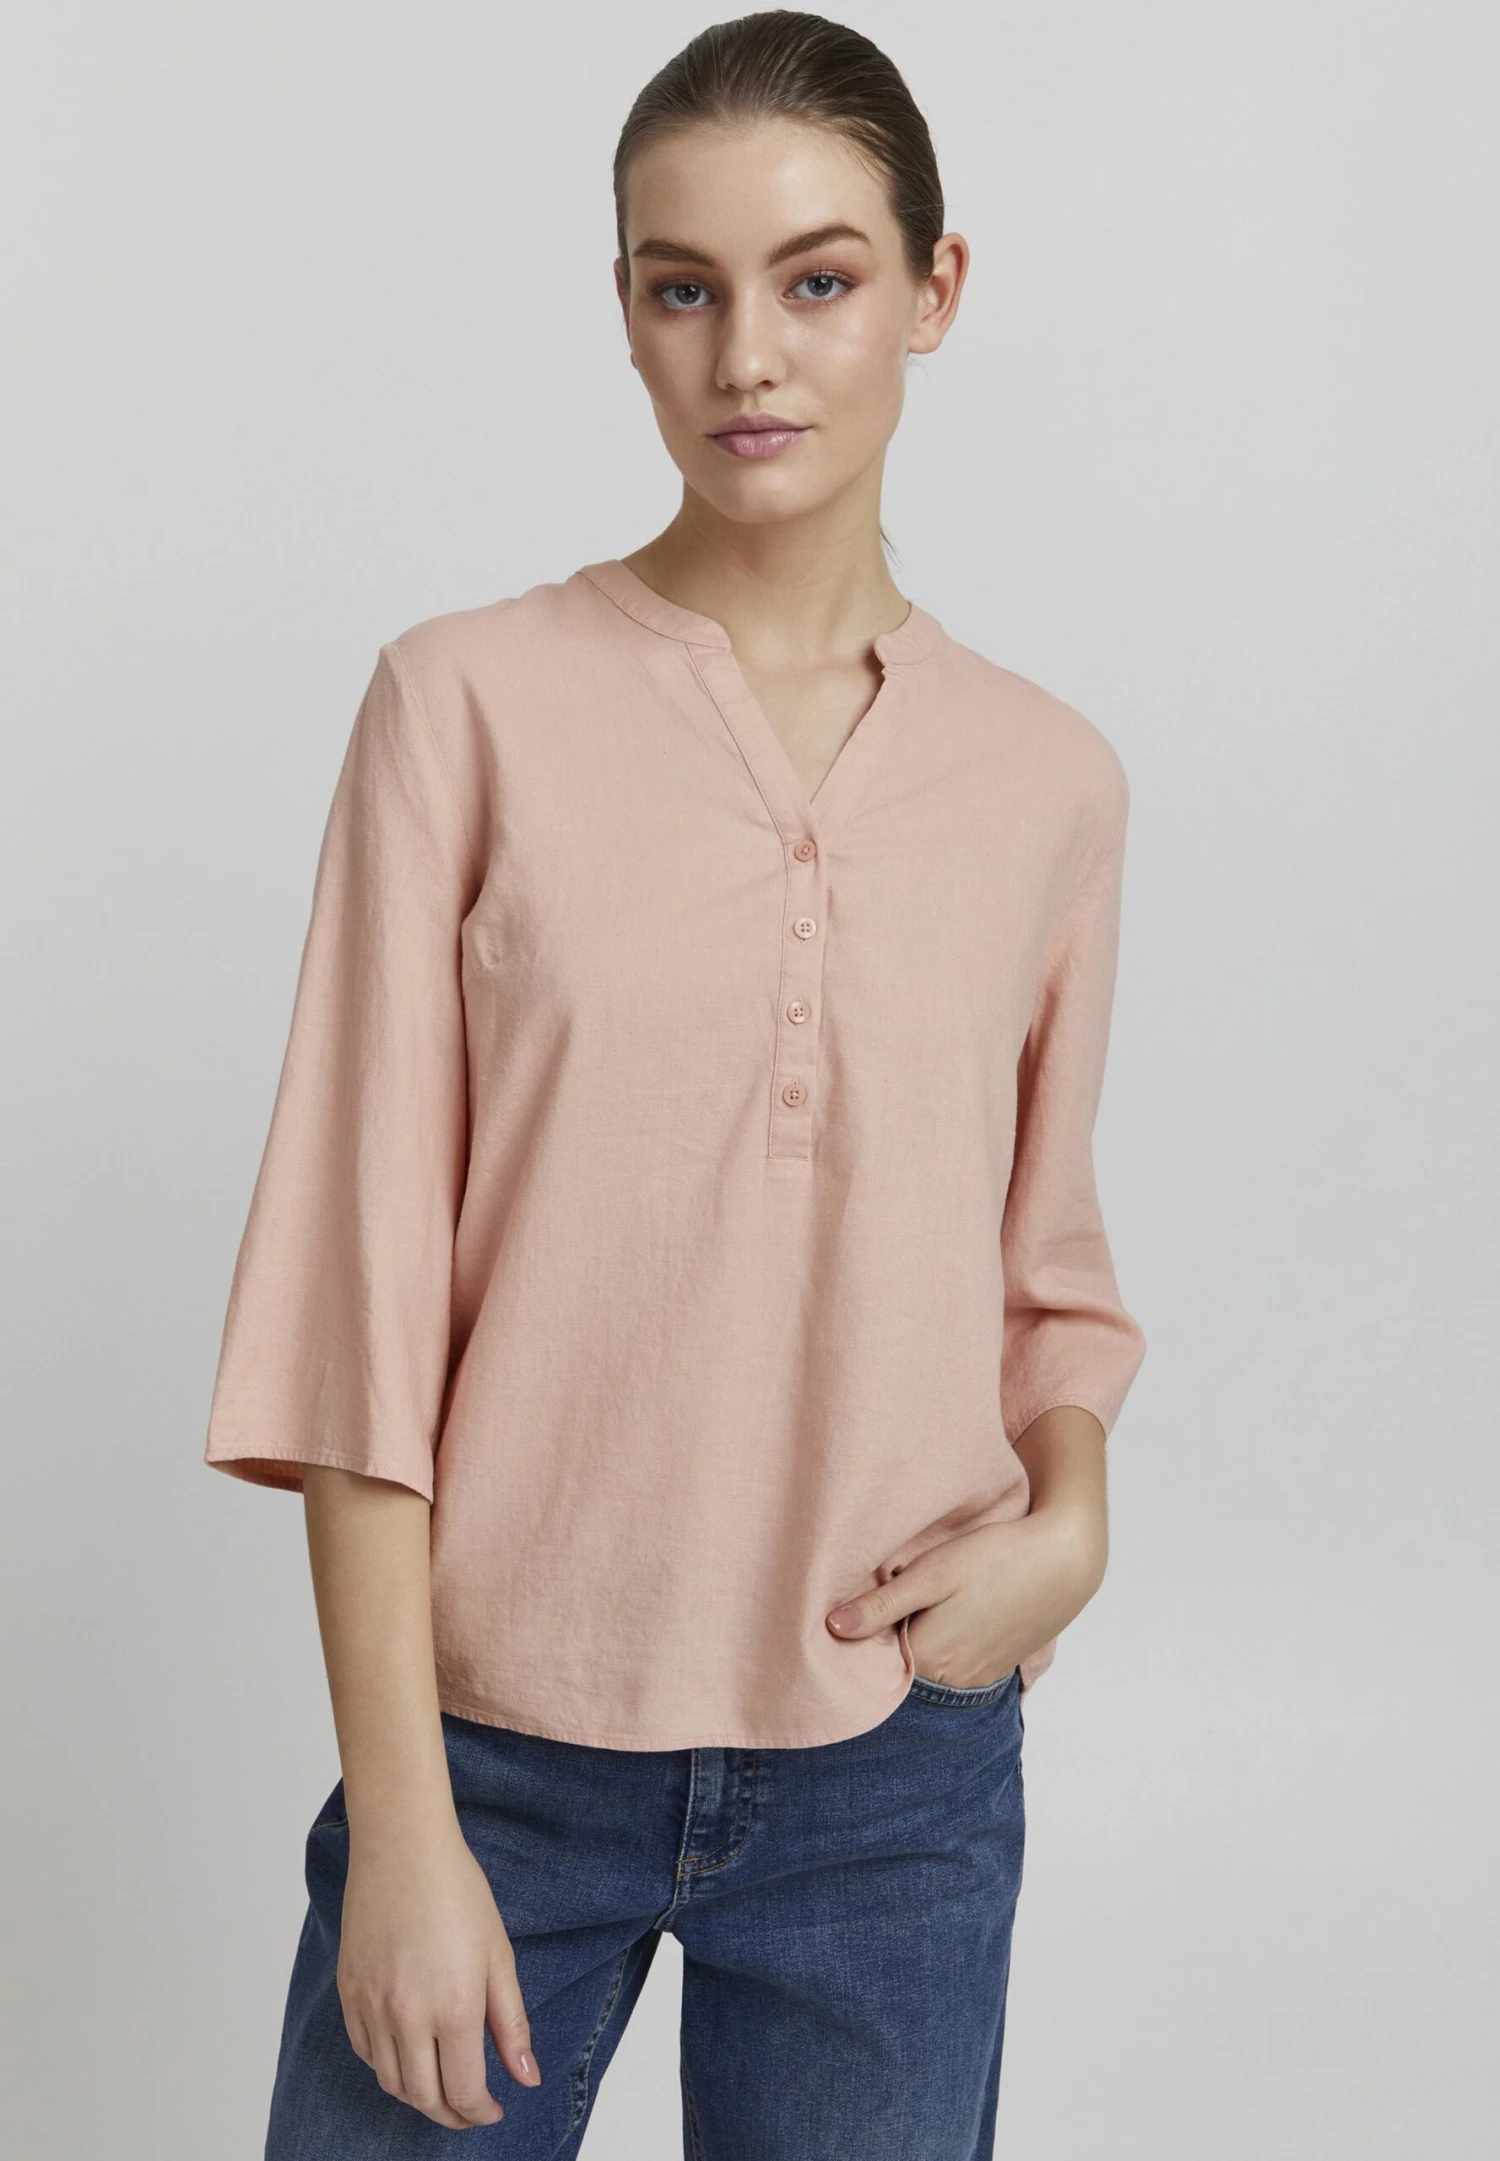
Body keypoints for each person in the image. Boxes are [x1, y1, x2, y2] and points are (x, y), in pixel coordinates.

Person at [203, 11, 1147, 2156]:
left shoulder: (1051, 782)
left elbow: (1046, 1265)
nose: (751, 355)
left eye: (819, 279)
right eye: (683, 287)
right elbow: (356, 1305)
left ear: (935, 290)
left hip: (897, 1762)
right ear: (624, 308)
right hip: (494, 1760)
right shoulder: (461, 708)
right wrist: (407, 1832)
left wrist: (1073, 1519)